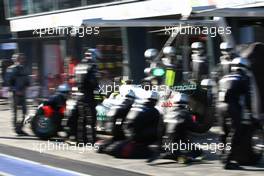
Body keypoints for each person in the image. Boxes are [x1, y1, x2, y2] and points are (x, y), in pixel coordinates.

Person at [217, 57, 261, 169]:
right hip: (232, 106)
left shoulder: (225, 77)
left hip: (220, 106)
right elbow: (248, 98)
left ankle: (222, 156)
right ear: (244, 67)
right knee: (235, 133)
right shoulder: (243, 78)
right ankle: (228, 161)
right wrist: (251, 114)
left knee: (224, 132)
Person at [75, 49, 99, 144]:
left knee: (81, 118)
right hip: (89, 95)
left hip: (79, 95)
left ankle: (80, 139)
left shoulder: (79, 66)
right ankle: (92, 139)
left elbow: (77, 80)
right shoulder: (92, 67)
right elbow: (93, 82)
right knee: (91, 118)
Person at [6, 53, 30, 135]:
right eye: (19, 58)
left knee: (25, 112)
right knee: (15, 112)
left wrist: (25, 89)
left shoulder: (25, 68)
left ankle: (20, 128)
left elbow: (27, 81)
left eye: (22, 58)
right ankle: (16, 129)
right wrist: (16, 90)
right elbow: (8, 83)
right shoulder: (11, 69)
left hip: (23, 93)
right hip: (14, 94)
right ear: (15, 59)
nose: (21, 60)